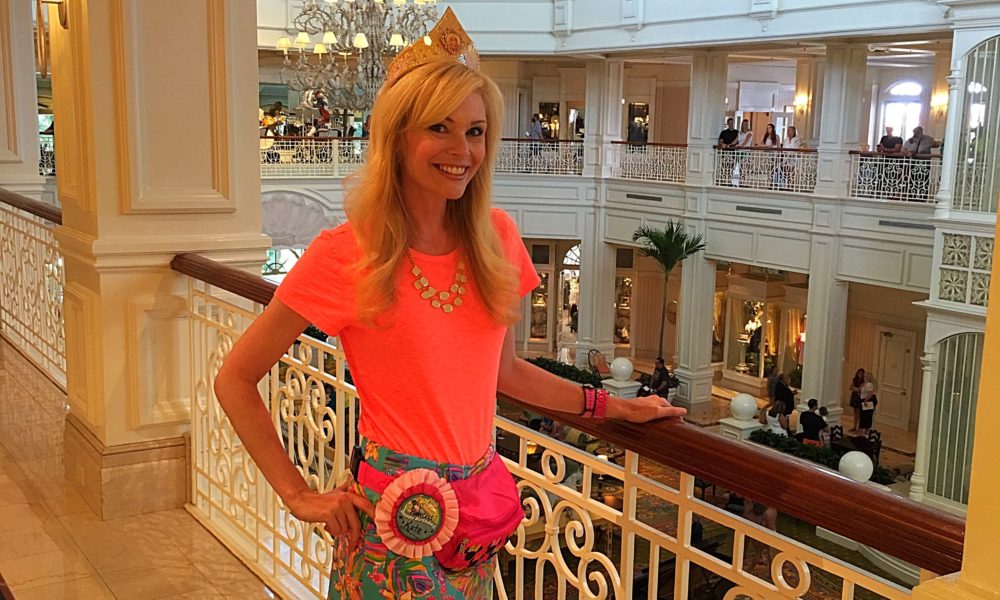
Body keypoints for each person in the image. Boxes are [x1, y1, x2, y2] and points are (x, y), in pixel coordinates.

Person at [211, 9, 686, 599]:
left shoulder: (497, 239)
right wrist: (298, 494)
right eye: (440, 127)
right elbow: (235, 378)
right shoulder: (348, 252)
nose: (462, 150)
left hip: (475, 521)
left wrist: (612, 406)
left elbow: (507, 373)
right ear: (397, 138)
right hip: (388, 521)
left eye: (476, 131)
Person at [848, 368, 865, 433]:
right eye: (859, 373)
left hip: (859, 397)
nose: (860, 374)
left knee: (859, 412)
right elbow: (850, 387)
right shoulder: (855, 379)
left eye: (862, 373)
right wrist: (856, 389)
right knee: (855, 412)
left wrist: (855, 388)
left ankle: (859, 427)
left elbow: (860, 389)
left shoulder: (863, 381)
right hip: (854, 396)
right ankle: (854, 426)